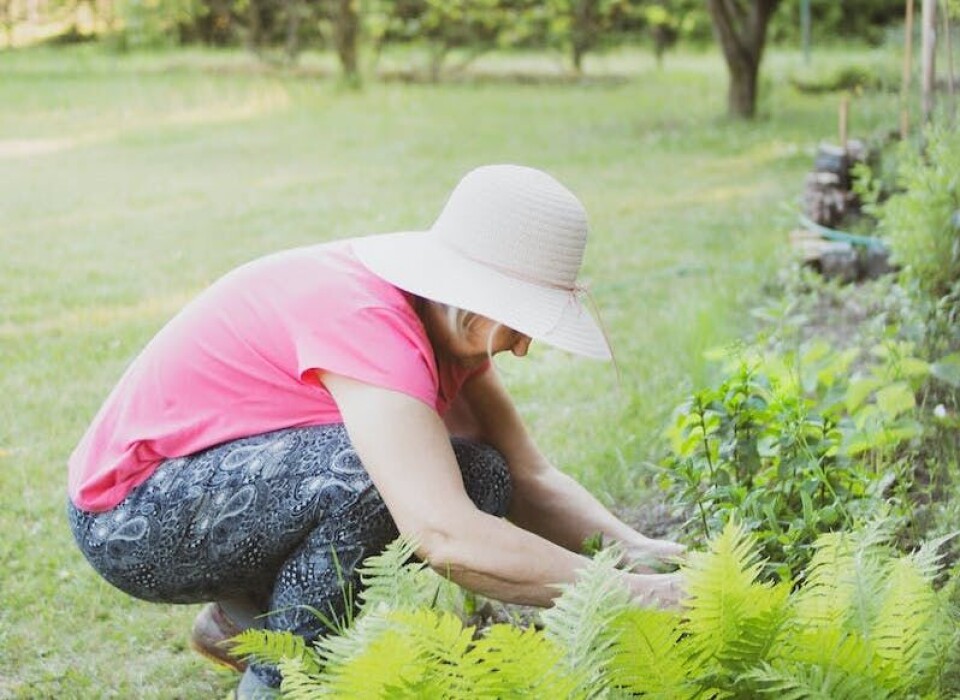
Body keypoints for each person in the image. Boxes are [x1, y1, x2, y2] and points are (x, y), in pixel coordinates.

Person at [67, 164, 685, 698]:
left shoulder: (446, 332)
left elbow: (531, 477)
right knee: (372, 480)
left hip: (211, 495)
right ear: (469, 295)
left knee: (482, 473)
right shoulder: (369, 324)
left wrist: (650, 555)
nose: (522, 347)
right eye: (521, 321)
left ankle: (243, 622)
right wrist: (635, 594)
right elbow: (445, 534)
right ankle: (282, 683)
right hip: (130, 517)